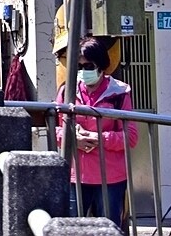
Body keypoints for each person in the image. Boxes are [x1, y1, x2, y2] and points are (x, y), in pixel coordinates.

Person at [55, 36, 138, 229]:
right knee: (71, 230)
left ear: (101, 66)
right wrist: (73, 139)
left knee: (108, 230)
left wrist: (99, 138)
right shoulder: (67, 91)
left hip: (111, 178)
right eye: (79, 66)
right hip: (75, 177)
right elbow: (55, 129)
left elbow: (131, 137)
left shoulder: (119, 93)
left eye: (89, 66)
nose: (84, 71)